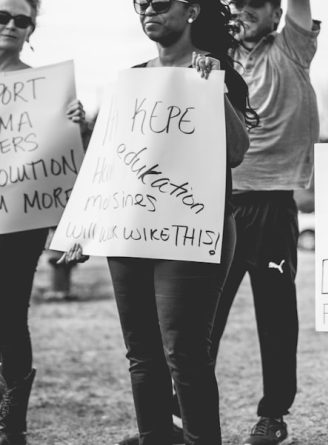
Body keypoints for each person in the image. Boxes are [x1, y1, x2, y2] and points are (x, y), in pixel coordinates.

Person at [62, 0, 253, 443]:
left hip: (192, 231)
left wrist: (214, 90)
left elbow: (237, 151)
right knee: (141, 355)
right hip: (131, 232)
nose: (149, 10)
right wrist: (83, 225)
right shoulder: (131, 81)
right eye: (141, 4)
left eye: (160, 3)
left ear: (190, 11)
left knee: (184, 353)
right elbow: (109, 160)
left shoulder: (216, 73)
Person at [201, 1, 319, 443]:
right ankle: (184, 407)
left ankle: (274, 413)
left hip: (272, 204)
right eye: (239, 4)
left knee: (276, 315)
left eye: (257, 5)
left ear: (277, 14)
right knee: (203, 315)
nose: (246, 11)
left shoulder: (291, 48)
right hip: (221, 198)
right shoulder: (215, 53)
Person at [0, 1, 85, 444]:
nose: (12, 26)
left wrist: (73, 125)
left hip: (18, 222)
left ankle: (11, 426)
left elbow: (64, 165)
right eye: (2, 16)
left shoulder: (46, 91)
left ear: (31, 29)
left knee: (9, 318)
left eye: (22, 20)